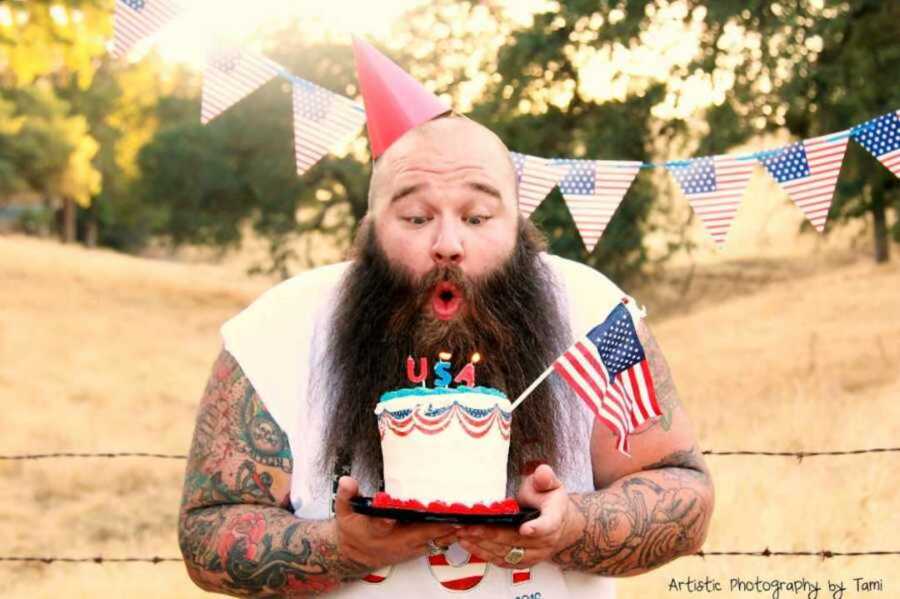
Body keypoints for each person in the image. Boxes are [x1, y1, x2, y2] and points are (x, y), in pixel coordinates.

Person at [177, 39, 714, 598]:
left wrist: (573, 526)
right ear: (370, 230)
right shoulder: (279, 329)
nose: (448, 244)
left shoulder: (594, 314)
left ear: (519, 227)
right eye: (415, 216)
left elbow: (682, 491)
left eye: (478, 216)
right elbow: (207, 531)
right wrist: (341, 548)